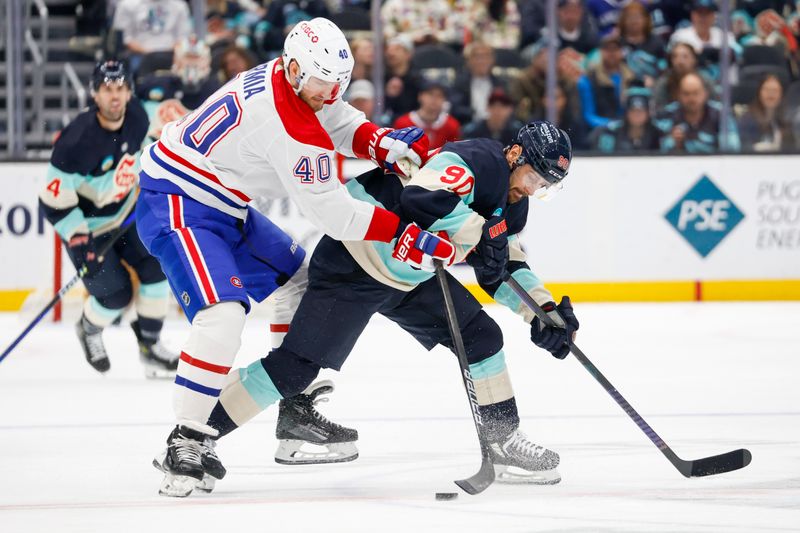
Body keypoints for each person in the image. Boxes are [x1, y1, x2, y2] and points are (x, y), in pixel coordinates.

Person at [136, 18, 450, 497]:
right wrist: (402, 231)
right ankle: (186, 439)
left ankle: (294, 409)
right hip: (179, 201)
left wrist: (380, 142)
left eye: (337, 83)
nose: (331, 92)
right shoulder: (287, 121)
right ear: (298, 69)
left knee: (300, 282)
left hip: (222, 201)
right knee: (222, 315)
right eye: (325, 82)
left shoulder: (293, 80)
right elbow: (336, 215)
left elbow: (337, 116)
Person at [200, 121, 578, 493]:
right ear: (515, 154)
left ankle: (503, 441)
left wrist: (543, 312)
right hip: (354, 261)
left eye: (544, 187)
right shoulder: (477, 160)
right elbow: (423, 198)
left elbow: (502, 268)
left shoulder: (514, 204)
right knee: (295, 370)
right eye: (534, 177)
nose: (532, 189)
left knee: (482, 337)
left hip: (407, 280)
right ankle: (197, 434)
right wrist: (478, 232)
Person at [38, 60, 179, 378]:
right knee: (116, 296)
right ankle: (88, 329)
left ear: (129, 92)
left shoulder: (138, 116)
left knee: (157, 265)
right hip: (88, 229)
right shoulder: (75, 143)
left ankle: (151, 348)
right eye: (106, 89)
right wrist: (78, 237)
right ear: (95, 93)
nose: (114, 96)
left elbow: (144, 153)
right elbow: (51, 202)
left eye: (120, 89)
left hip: (126, 214)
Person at [137, 36, 223, 141]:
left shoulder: (217, 91)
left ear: (207, 61)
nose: (192, 63)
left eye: (197, 58)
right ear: (176, 59)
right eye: (187, 57)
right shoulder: (157, 82)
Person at [656, 71, 741, 153]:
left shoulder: (721, 114)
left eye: (696, 93)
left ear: (705, 94)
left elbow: (733, 147)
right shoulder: (667, 114)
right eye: (686, 94)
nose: (691, 98)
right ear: (679, 95)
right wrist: (673, 142)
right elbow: (656, 150)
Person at [577, 31, 636, 129]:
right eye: (607, 49)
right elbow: (588, 116)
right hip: (600, 132)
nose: (612, 53)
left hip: (627, 130)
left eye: (615, 49)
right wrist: (611, 125)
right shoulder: (588, 79)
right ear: (600, 52)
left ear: (622, 52)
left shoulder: (631, 77)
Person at [394, 79, 462, 149]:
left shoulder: (452, 125)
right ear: (420, 96)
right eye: (430, 94)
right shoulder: (403, 124)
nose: (434, 99)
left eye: (439, 95)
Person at [591, 87, 661, 152]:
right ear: (626, 112)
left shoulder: (659, 133)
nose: (637, 115)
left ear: (648, 113)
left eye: (641, 111)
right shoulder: (611, 132)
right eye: (633, 111)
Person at [737, 74, 795, 152]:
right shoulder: (747, 120)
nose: (771, 94)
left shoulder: (787, 118)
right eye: (767, 90)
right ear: (759, 92)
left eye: (775, 90)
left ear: (781, 94)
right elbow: (745, 149)